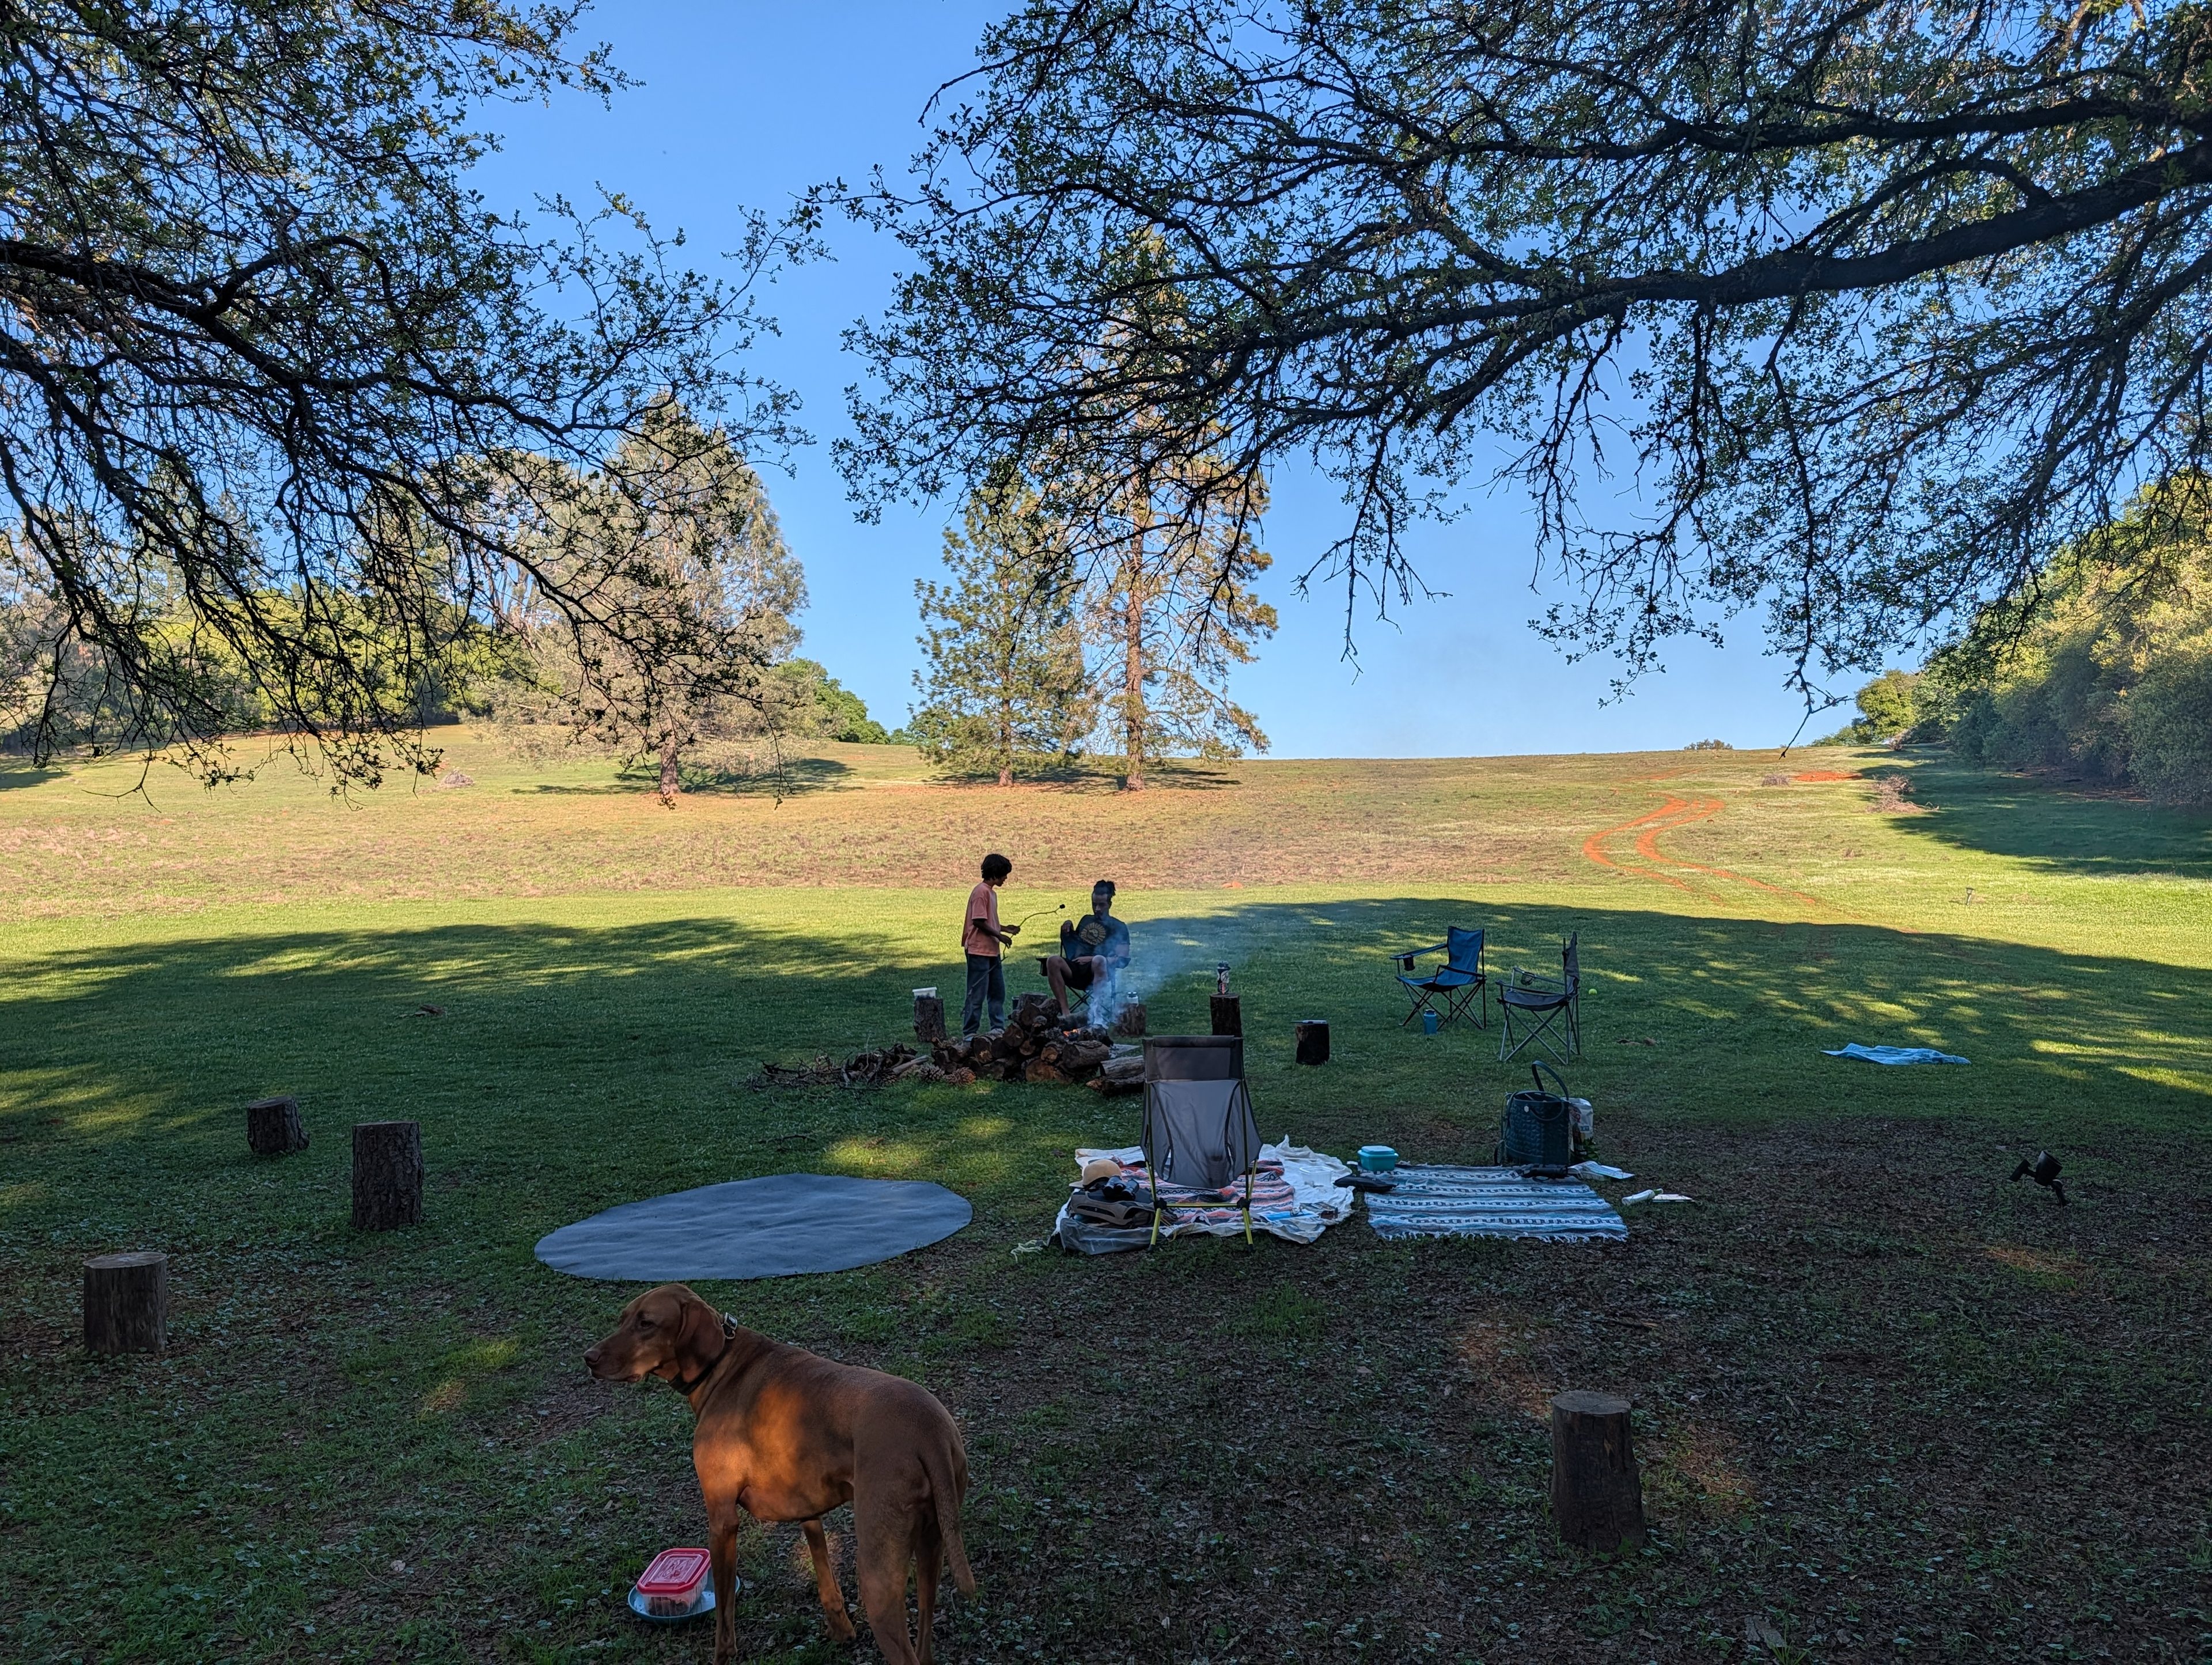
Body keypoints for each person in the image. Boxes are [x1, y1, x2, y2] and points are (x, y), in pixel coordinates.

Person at [1045, 879, 1131, 1016]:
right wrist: (1068, 926)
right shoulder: (1086, 919)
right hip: (1075, 969)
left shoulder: (1119, 926)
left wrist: (1091, 959)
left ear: (1110, 904)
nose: (1097, 909)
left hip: (1098, 971)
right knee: (1052, 960)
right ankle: (1066, 1013)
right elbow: (1076, 942)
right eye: (1094, 904)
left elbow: (1122, 959)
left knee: (1098, 960)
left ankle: (1096, 1014)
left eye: (1102, 905)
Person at [960, 852, 1016, 1035]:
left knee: (997, 992)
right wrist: (1000, 937)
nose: (1006, 878)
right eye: (1004, 874)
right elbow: (978, 922)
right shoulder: (981, 892)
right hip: (978, 951)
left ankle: (997, 1029)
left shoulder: (991, 893)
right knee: (976, 994)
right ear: (996, 873)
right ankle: (970, 1033)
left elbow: (988, 921)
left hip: (992, 952)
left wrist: (1005, 929)